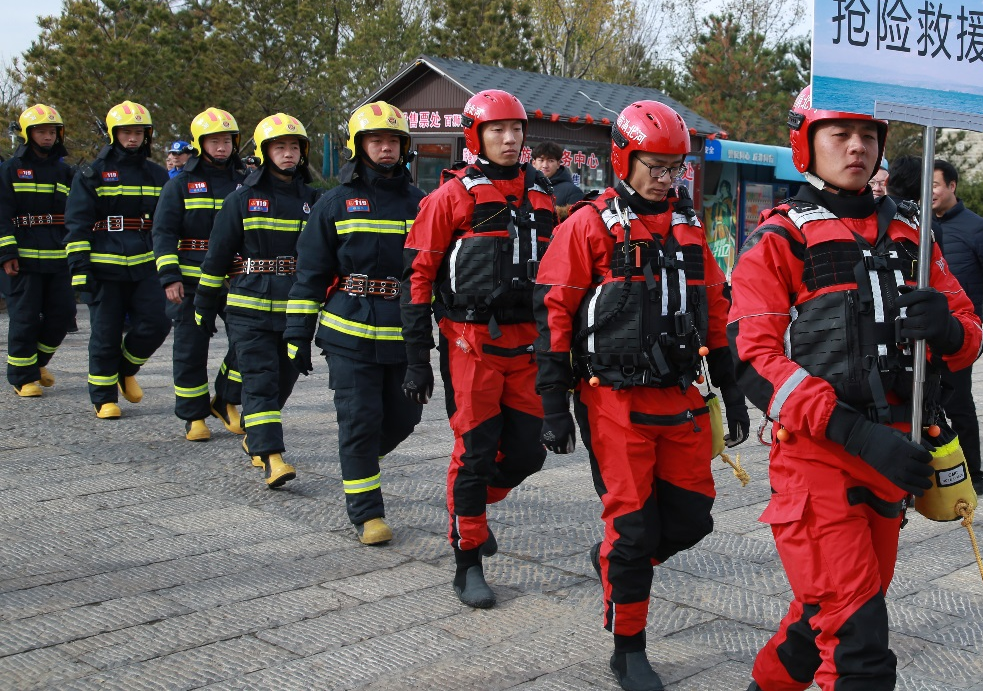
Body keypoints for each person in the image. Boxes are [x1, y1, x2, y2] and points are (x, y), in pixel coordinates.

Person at [728, 87, 983, 691]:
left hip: (894, 455)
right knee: (858, 647)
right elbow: (752, 360)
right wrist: (853, 433)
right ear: (805, 145)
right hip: (819, 460)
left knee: (823, 615)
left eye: (868, 135)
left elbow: (969, 334)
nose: (856, 146)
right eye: (839, 133)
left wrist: (946, 328)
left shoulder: (913, 236)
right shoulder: (779, 238)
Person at [534, 101, 749, 691]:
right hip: (613, 402)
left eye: (674, 167)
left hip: (680, 398)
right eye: (654, 165)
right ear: (624, 160)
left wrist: (732, 393)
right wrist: (553, 404)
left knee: (691, 519)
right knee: (632, 529)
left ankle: (617, 564)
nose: (666, 177)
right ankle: (628, 647)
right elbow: (553, 312)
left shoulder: (689, 228)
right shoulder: (586, 225)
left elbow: (715, 312)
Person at [401, 89, 556, 609]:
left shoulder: (541, 194)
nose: (510, 139)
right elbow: (417, 278)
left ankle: (468, 511)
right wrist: (416, 357)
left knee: (530, 453)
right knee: (474, 454)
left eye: (516, 130)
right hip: (471, 345)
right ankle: (467, 558)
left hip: (527, 346)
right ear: (476, 136)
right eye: (498, 130)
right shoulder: (451, 198)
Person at [285, 101, 424, 544]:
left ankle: (359, 455)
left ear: (404, 148)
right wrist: (297, 334)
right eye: (376, 140)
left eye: (393, 141)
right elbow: (310, 275)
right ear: (358, 147)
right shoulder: (335, 203)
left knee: (405, 416)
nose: (385, 148)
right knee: (359, 419)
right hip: (349, 332)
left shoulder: (422, 204)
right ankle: (367, 514)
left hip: (403, 333)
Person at [194, 113, 319, 488]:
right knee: (261, 381)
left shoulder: (315, 200)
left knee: (284, 378)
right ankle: (271, 457)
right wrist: (203, 301)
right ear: (264, 152)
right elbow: (217, 255)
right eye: (279, 147)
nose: (287, 154)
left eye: (293, 147)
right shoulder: (242, 199)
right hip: (248, 307)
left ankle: (233, 405)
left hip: (295, 310)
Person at [65, 101, 172, 419]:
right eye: (126, 132)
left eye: (139, 132)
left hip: (146, 263)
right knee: (105, 332)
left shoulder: (158, 175)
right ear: (113, 134)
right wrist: (80, 269)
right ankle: (103, 397)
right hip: (104, 265)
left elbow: (169, 222)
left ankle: (125, 368)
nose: (133, 138)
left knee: (158, 322)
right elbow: (77, 224)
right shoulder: (91, 174)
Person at [153, 108, 246, 442]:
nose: (221, 147)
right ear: (200, 143)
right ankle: (193, 414)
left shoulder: (246, 181)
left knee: (247, 342)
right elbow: (162, 233)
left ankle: (225, 399)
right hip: (191, 281)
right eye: (214, 141)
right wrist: (169, 276)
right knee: (191, 349)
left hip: (236, 279)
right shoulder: (180, 185)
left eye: (227, 141)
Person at [932, 158, 983, 496]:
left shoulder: (977, 228)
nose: (930, 192)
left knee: (958, 403)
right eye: (926, 185)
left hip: (960, 333)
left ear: (952, 186)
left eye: (935, 184)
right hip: (921, 331)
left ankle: (973, 475)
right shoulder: (916, 224)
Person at [1, 105, 76, 397]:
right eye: (41, 131)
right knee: (25, 317)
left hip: (58, 257)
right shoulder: (9, 170)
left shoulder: (65, 171)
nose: (48, 137)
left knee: (64, 314)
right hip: (23, 258)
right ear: (27, 134)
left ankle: (36, 362)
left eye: (52, 131)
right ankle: (23, 378)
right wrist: (6, 254)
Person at [531, 139, 584, 214]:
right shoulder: (526, 186)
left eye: (550, 161)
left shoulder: (572, 191)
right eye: (541, 160)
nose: (545, 165)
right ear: (533, 163)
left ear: (558, 164)